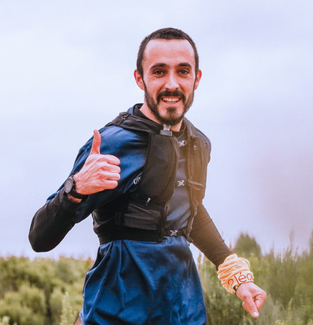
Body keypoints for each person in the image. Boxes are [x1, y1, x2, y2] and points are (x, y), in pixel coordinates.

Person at [29, 27, 266, 325]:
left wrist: (236, 275)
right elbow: (40, 238)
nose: (171, 84)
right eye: (158, 72)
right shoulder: (111, 144)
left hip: (184, 312)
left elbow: (189, 213)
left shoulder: (199, 144)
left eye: (182, 71)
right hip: (114, 313)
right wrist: (75, 188)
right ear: (140, 78)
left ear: (197, 78)